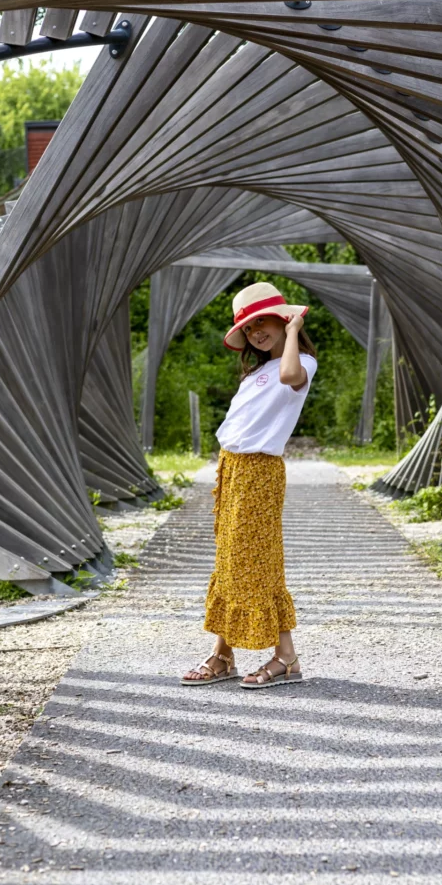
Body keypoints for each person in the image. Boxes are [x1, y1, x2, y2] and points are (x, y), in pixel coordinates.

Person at [181, 281, 317, 689]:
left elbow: (290, 373)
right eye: (249, 327)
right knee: (230, 563)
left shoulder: (302, 362)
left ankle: (285, 657)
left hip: (260, 471)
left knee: (255, 561)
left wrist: (294, 332)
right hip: (233, 469)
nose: (257, 332)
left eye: (264, 322)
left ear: (282, 318)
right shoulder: (256, 371)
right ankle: (224, 655)